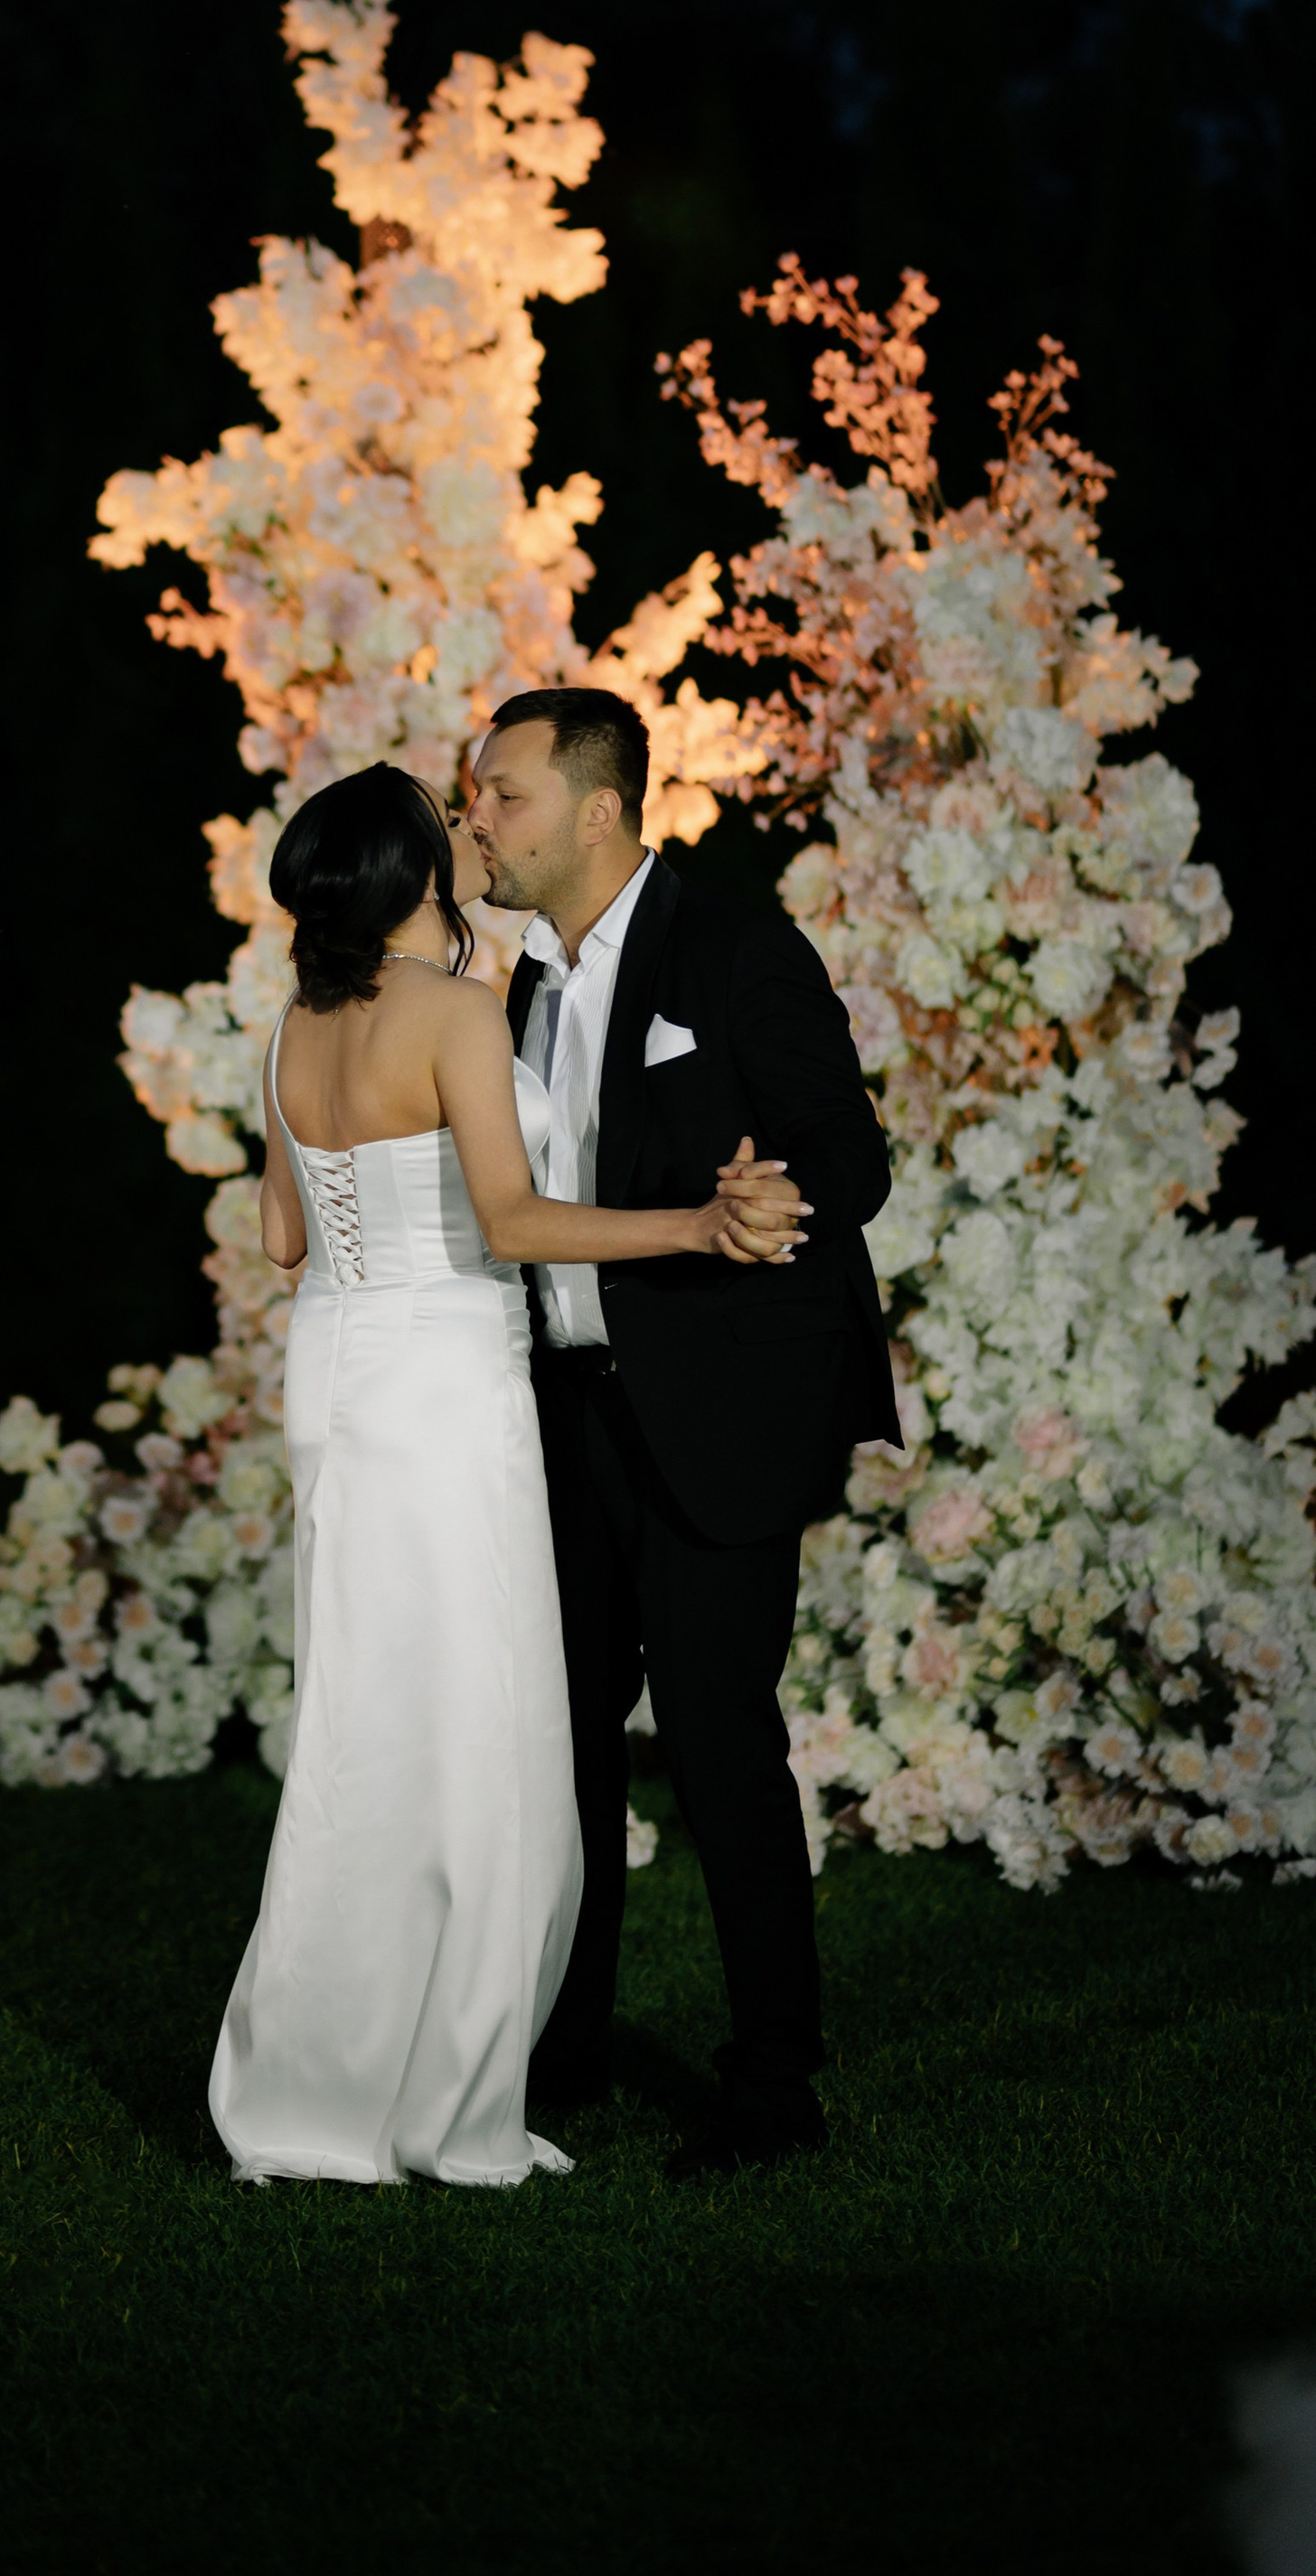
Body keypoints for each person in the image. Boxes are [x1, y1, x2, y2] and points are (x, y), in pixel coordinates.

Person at [207, 763, 804, 2190]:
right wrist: (697, 1232)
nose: (473, 834)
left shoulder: (290, 1029)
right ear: (416, 871)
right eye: (450, 829)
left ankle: (321, 2075)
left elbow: (285, 1243)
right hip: (447, 1383)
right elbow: (519, 1220)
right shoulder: (459, 1017)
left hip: (339, 1378)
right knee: (482, 1733)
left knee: (366, 1729)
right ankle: (449, 2081)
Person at [465, 686, 897, 2178]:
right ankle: (565, 2051)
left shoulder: (730, 944)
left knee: (723, 1758)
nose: (478, 821)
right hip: (558, 1419)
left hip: (713, 1422)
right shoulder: (505, 987)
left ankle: (775, 2085)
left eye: (503, 795)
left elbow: (850, 1147)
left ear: (598, 809)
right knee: (564, 1755)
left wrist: (784, 1193)